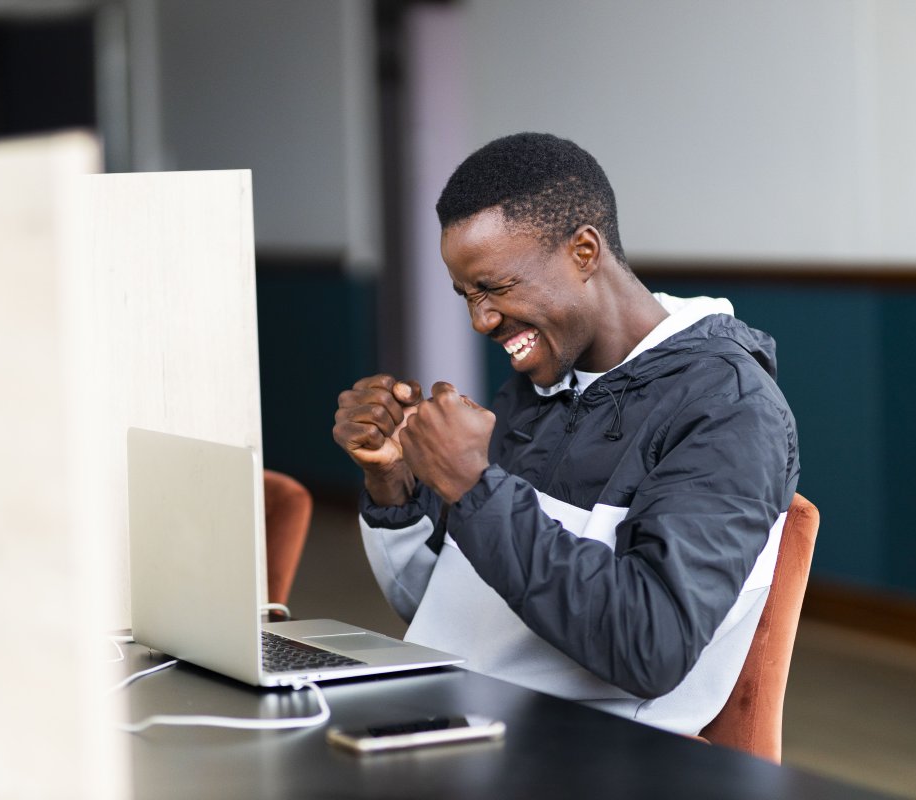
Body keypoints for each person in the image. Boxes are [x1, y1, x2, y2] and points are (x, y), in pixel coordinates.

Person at [332, 132, 799, 734]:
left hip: (587, 756)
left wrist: (474, 487)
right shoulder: (536, 385)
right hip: (462, 717)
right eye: (466, 295)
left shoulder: (725, 407)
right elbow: (455, 614)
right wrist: (395, 484)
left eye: (496, 288)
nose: (481, 320)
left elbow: (650, 646)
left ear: (583, 251)